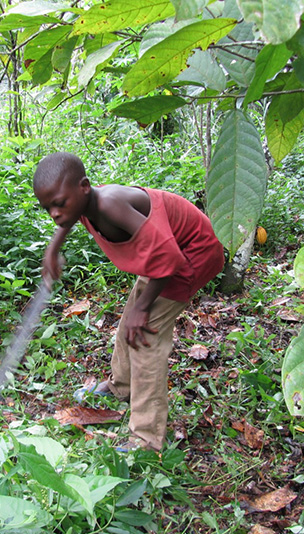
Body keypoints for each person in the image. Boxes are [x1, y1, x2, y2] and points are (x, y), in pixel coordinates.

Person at [34, 152, 223, 452]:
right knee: (130, 322)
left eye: (59, 203)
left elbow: (170, 257)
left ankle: (146, 440)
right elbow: (67, 217)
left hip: (191, 255)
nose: (55, 214)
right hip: (163, 256)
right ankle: (121, 386)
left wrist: (144, 307)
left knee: (145, 333)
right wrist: (53, 248)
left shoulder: (109, 205)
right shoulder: (83, 202)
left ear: (84, 186)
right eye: (48, 208)